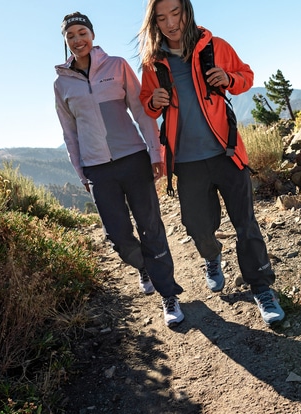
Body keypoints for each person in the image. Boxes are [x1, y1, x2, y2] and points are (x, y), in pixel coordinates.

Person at [137, 0, 285, 325]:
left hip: (227, 153)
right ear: (155, 23)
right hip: (186, 163)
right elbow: (146, 104)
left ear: (187, 12)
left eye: (175, 13)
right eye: (162, 18)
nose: (171, 23)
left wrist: (228, 77)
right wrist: (153, 101)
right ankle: (212, 256)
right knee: (197, 227)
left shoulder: (215, 46)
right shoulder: (153, 63)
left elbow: (246, 76)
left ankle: (262, 288)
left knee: (246, 225)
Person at [54, 12, 185, 327]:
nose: (77, 39)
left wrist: (156, 152)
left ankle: (169, 295)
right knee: (118, 237)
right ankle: (145, 268)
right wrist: (81, 171)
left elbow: (141, 112)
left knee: (151, 227)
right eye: (70, 35)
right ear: (66, 42)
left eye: (82, 32)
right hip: (98, 168)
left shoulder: (117, 66)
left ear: (93, 35)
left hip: (133, 159)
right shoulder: (61, 84)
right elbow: (69, 134)